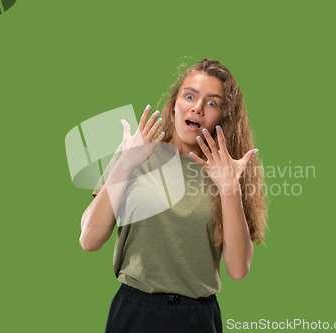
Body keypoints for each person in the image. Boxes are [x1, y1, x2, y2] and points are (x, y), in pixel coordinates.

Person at [79, 58, 268, 332]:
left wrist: (229, 190)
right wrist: (124, 164)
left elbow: (238, 270)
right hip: (134, 311)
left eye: (212, 103)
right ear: (174, 103)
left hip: (196, 317)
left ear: (224, 116)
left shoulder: (226, 171)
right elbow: (89, 240)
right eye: (189, 95)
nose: (198, 107)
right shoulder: (136, 153)